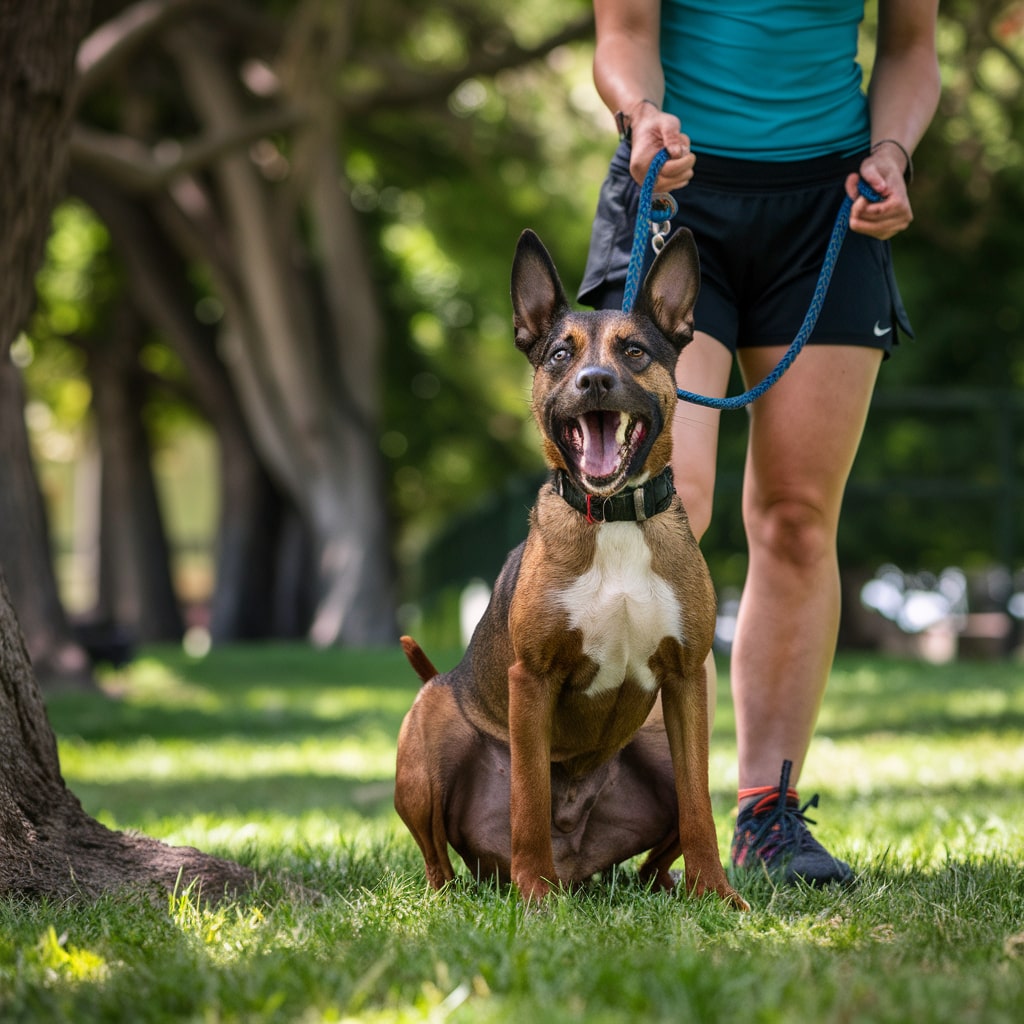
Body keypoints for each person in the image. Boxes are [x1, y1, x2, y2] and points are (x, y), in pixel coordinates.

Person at [580, 0, 940, 885]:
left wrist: (891, 151)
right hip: (676, 189)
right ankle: (585, 788)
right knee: (668, 502)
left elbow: (910, 47)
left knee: (796, 518)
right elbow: (622, 37)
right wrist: (640, 116)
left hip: (832, 207)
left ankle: (765, 816)